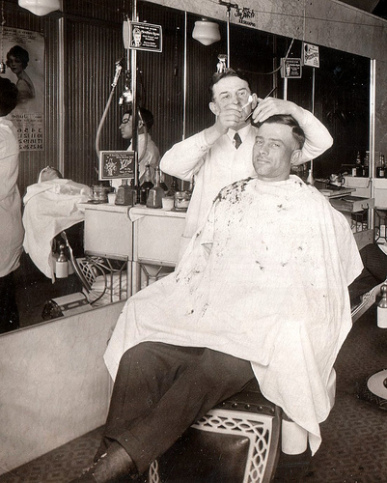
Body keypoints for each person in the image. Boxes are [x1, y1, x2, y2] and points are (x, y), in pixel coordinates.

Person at [71, 114, 362, 482]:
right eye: (261, 141)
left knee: (214, 366)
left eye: (276, 144)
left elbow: (326, 289)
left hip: (262, 341)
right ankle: (109, 459)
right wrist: (167, 296)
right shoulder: (232, 195)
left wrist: (283, 316)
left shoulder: (312, 207)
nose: (263, 150)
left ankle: (114, 467)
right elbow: (197, 266)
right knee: (139, 357)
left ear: (297, 154)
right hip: (216, 322)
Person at [160, 68, 333, 259]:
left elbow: (323, 142)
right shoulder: (206, 142)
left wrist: (294, 110)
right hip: (203, 250)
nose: (236, 101)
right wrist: (217, 129)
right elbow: (169, 165)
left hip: (251, 251)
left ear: (254, 99)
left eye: (242, 93)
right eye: (225, 97)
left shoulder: (269, 143)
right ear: (214, 108)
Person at [22, 167, 92, 281]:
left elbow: (87, 194)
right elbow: (39, 215)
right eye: (45, 170)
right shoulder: (36, 194)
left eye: (52, 168)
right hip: (71, 229)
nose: (49, 168)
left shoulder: (72, 186)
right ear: (41, 180)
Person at [0, 78, 24, 333]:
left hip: (2, 226)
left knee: (3, 301)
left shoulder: (3, 135)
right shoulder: (7, 128)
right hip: (6, 223)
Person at [119, 107, 160, 184]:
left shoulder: (141, 148)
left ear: (140, 124)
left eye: (125, 122)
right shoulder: (140, 145)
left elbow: (129, 183)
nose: (120, 126)